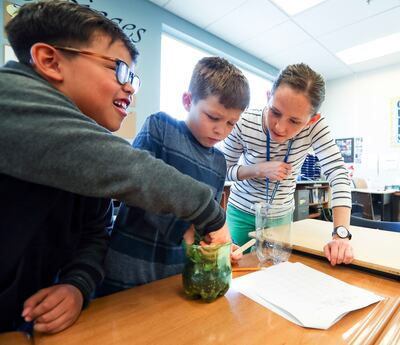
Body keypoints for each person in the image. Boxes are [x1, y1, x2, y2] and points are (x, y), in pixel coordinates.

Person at [0, 1, 229, 334]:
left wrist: (76, 285)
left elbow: (95, 232)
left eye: (133, 77)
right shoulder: (10, 97)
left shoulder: (87, 162)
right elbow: (129, 168)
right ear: (50, 60)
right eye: (119, 69)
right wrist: (210, 214)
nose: (131, 87)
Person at [98, 56, 250, 295]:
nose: (221, 130)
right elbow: (135, 189)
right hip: (130, 265)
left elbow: (206, 222)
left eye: (231, 123)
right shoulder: (161, 128)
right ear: (188, 101)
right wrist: (185, 230)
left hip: (177, 273)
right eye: (213, 117)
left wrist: (219, 245)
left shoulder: (219, 162)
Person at [221, 63, 354, 266]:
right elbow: (220, 171)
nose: (280, 127)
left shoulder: (316, 127)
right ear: (268, 96)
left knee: (276, 271)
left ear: (311, 120)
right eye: (275, 111)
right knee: (238, 272)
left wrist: (341, 235)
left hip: (281, 217)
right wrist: (257, 169)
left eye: (294, 121)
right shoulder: (244, 123)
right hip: (241, 213)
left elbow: (338, 173)